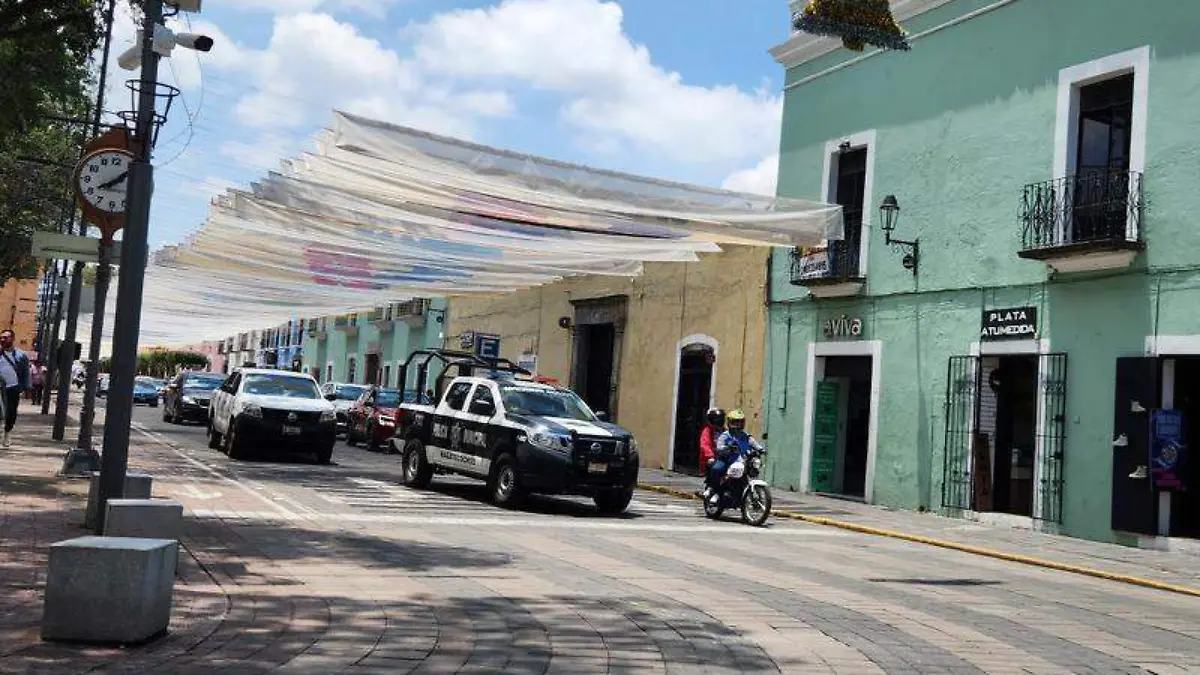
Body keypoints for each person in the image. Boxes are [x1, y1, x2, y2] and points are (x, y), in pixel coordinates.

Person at [706, 409, 764, 505]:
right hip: (726, 460)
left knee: (749, 470)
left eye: (740, 422)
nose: (738, 424)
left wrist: (760, 449)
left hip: (741, 461)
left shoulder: (745, 435)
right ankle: (715, 492)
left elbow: (753, 442)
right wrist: (727, 448)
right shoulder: (725, 435)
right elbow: (719, 446)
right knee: (718, 469)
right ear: (729, 422)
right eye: (735, 422)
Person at [0, 329, 32, 448]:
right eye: (1, 337)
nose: (3, 339)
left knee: (11, 412)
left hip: (13, 388)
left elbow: (26, 373)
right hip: (0, 388)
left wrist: (27, 388)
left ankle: (7, 432)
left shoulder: (21, 355)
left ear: (12, 339)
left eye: (6, 337)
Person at [696, 407, 725, 496]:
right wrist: (710, 456)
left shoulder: (725, 431)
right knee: (713, 466)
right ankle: (710, 487)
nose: (718, 421)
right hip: (711, 458)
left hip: (723, 457)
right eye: (716, 419)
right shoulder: (707, 431)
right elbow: (704, 445)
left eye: (720, 419)